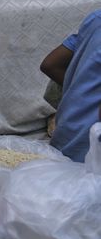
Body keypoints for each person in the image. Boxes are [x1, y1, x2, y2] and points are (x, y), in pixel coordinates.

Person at [40, 9, 101, 162]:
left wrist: (80, 89)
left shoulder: (95, 19)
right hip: (90, 154)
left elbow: (50, 64)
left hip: (64, 140)